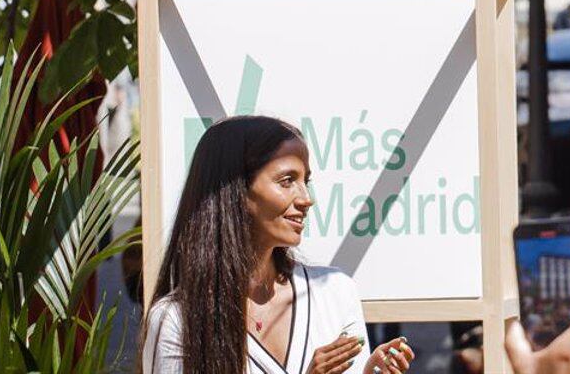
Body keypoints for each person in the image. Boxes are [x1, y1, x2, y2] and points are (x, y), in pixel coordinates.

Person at [142, 115, 415, 374]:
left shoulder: (335, 292)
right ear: (235, 190)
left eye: (305, 181)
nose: (306, 198)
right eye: (287, 181)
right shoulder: (178, 319)